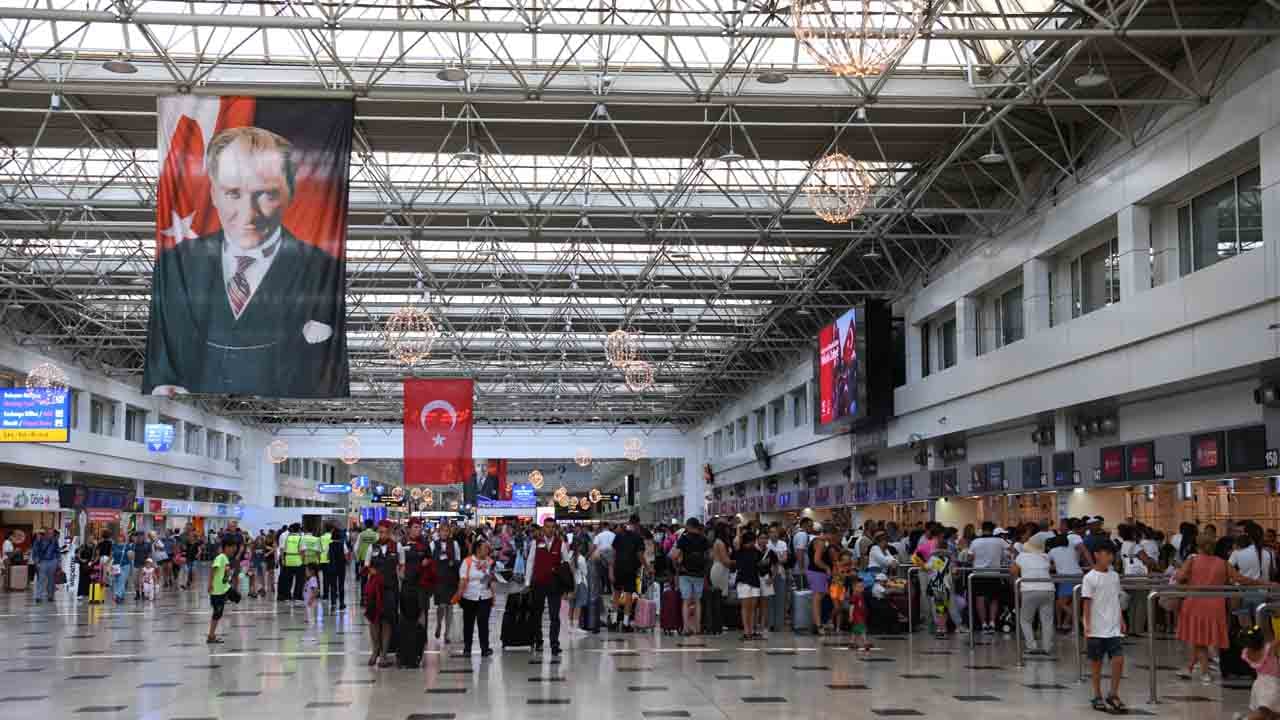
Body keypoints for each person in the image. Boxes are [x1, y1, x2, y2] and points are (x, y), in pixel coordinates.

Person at [144, 125, 347, 398]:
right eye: (233, 193)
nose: (248, 214)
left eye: (267, 194)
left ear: (291, 193)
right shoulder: (175, 266)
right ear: (213, 193)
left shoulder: (324, 272)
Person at [1176, 535, 1273, 684]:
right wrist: (1263, 583)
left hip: (1194, 603)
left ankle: (1204, 673)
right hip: (1215, 606)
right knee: (1202, 639)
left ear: (1198, 546)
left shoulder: (1192, 560)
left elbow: (1180, 576)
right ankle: (1191, 668)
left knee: (1198, 640)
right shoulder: (1222, 563)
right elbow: (1240, 579)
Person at [1083, 542, 1126, 713]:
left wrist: (1121, 619)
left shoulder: (1114, 576)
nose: (1110, 557)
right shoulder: (1089, 578)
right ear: (1096, 554)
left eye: (1112, 554)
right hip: (1096, 628)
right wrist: (1086, 625)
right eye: (1106, 553)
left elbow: (1116, 599)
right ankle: (1097, 694)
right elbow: (1086, 604)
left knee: (1118, 659)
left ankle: (1113, 693)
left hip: (1113, 626)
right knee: (1096, 663)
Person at [526, 517, 566, 656]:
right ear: (543, 528)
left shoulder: (561, 544)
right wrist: (527, 582)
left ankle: (554, 644)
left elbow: (565, 564)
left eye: (552, 527)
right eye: (547, 527)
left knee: (554, 616)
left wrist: (567, 586)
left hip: (555, 584)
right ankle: (538, 641)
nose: (550, 529)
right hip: (538, 583)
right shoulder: (535, 543)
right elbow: (530, 562)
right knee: (537, 613)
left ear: (555, 529)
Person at [364, 520, 401, 668]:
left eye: (385, 532)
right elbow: (366, 566)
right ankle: (375, 651)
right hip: (374, 589)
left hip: (390, 589)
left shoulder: (397, 547)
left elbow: (401, 567)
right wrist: (370, 571)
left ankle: (384, 654)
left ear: (390, 532)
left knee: (386, 621)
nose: (383, 534)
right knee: (374, 620)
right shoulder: (372, 548)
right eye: (380, 532)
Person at [398, 519, 433, 666]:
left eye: (420, 527)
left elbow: (430, 561)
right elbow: (399, 564)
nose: (418, 530)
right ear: (409, 528)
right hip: (406, 585)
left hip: (421, 586)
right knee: (405, 618)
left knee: (422, 615)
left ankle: (421, 648)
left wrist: (426, 563)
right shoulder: (402, 544)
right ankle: (405, 650)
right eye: (415, 527)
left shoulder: (425, 544)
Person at [1012, 536, 1055, 655]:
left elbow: (1013, 571)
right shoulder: (1045, 556)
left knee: (1025, 620)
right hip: (1048, 589)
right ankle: (1047, 648)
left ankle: (1032, 646)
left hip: (1029, 589)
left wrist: (1017, 586)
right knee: (1047, 621)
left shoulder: (1021, 556)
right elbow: (1052, 568)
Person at [456, 538, 497, 658]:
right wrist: (459, 595)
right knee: (468, 623)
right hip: (469, 597)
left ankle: (485, 648)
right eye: (485, 548)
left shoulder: (490, 562)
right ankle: (467, 648)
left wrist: (493, 579)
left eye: (488, 548)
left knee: (483, 623)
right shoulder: (467, 562)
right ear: (478, 549)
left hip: (485, 596)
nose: (488, 551)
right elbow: (463, 579)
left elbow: (493, 578)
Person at [672, 517, 710, 637]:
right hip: (699, 573)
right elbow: (710, 556)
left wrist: (677, 565)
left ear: (688, 526)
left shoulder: (683, 538)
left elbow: (674, 555)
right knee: (698, 601)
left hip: (685, 573)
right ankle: (698, 628)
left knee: (686, 601)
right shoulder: (704, 539)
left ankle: (686, 628)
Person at [969, 521, 1007, 634]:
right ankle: (992, 623)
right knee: (994, 599)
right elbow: (1011, 552)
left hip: (978, 574)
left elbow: (970, 558)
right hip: (994, 573)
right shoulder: (1000, 541)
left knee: (980, 598)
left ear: (982, 528)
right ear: (993, 529)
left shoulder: (975, 542)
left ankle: (983, 624)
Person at [611, 515, 646, 632]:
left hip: (618, 569)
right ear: (637, 524)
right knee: (628, 596)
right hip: (631, 569)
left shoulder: (619, 535)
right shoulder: (638, 537)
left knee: (616, 594)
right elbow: (640, 555)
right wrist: (648, 567)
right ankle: (626, 624)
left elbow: (613, 554)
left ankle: (614, 622)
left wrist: (611, 570)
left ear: (628, 522)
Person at [731, 529, 765, 641]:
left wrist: (763, 564)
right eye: (753, 541)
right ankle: (746, 632)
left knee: (753, 607)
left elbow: (760, 566)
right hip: (743, 581)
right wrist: (738, 530)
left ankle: (752, 631)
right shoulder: (739, 550)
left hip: (754, 580)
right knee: (745, 607)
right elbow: (736, 542)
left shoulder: (756, 551)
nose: (754, 543)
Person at [1241, 623, 1280, 719]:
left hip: (1258, 684)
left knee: (1271, 713)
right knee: (1263, 713)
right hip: (1271, 685)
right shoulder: (1269, 649)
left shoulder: (1245, 653)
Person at [430, 525, 462, 644]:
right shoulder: (433, 544)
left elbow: (459, 559)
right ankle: (438, 624)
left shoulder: (454, 544)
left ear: (449, 532)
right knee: (441, 605)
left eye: (446, 531)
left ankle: (447, 633)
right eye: (442, 531)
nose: (444, 533)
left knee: (450, 606)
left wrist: (454, 563)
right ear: (439, 532)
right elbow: (430, 559)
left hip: (450, 578)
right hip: (438, 579)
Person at [207, 537, 237, 644]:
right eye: (233, 547)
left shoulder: (225, 558)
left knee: (236, 597)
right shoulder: (221, 557)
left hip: (223, 589)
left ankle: (211, 635)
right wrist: (210, 584)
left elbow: (225, 574)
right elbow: (213, 569)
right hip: (217, 591)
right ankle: (211, 636)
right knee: (217, 614)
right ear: (227, 547)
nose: (234, 550)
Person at [765, 525, 789, 633]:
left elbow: (784, 559)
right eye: (771, 532)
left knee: (780, 599)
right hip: (768, 574)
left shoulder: (782, 544)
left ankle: (779, 624)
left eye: (775, 532)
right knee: (770, 599)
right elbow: (766, 561)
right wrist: (777, 557)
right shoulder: (766, 544)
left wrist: (774, 558)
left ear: (778, 533)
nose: (773, 534)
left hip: (780, 573)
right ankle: (770, 623)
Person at [31, 529, 60, 603]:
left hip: (52, 561)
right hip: (42, 562)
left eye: (52, 533)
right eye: (49, 533)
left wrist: (57, 562)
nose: (51, 535)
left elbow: (57, 551)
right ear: (46, 533)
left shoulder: (54, 541)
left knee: (51, 580)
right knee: (41, 579)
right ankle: (38, 596)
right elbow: (35, 551)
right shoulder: (39, 540)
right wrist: (36, 562)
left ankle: (50, 596)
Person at [849, 577, 872, 652]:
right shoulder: (854, 596)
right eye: (859, 587)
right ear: (854, 588)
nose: (861, 588)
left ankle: (852, 642)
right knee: (862, 629)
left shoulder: (861, 595)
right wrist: (851, 615)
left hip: (862, 615)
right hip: (857, 616)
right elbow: (851, 606)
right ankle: (865, 643)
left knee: (855, 630)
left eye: (862, 586)